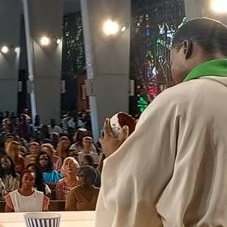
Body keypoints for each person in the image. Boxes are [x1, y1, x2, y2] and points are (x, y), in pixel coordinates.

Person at [96, 18, 227, 226]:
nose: (170, 65)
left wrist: (119, 158)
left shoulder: (178, 100)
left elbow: (135, 192)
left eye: (171, 55)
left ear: (186, 48)